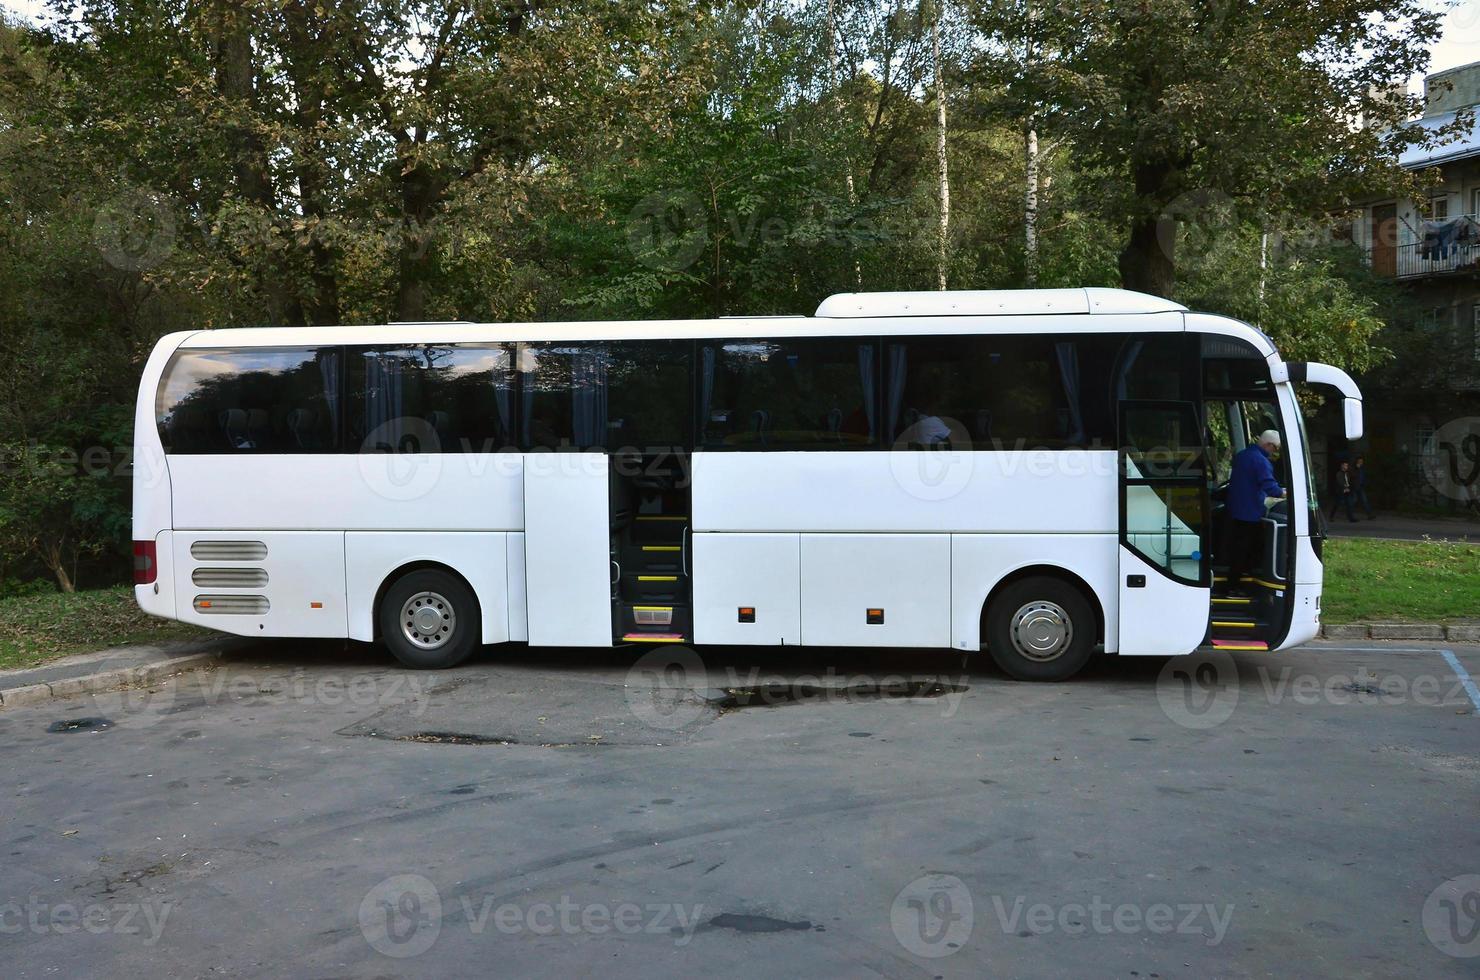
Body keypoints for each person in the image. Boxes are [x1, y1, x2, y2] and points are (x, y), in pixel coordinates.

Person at [1225, 429, 1287, 595]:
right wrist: (1285, 493)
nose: (1275, 453)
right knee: (1247, 549)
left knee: (1239, 548)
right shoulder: (1261, 461)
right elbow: (1270, 486)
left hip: (1236, 509)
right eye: (1275, 449)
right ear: (1268, 445)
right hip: (1250, 512)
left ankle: (1236, 582)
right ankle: (1234, 586)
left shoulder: (1243, 455)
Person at [1353, 455, 1376, 519]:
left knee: (1365, 500)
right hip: (1355, 487)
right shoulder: (1354, 468)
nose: (1361, 463)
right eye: (1359, 462)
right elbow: (1353, 475)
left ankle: (1369, 514)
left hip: (1361, 486)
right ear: (1356, 462)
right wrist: (1356, 468)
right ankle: (1350, 514)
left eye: (1361, 462)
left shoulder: (1363, 469)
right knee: (1354, 501)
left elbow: (1364, 477)